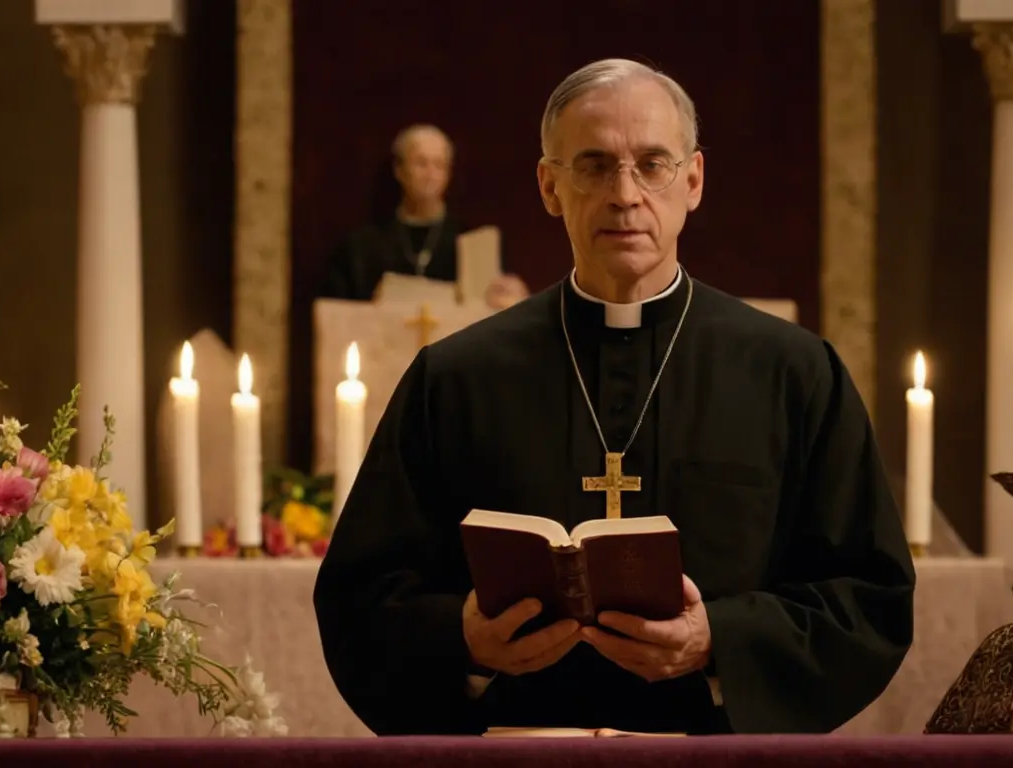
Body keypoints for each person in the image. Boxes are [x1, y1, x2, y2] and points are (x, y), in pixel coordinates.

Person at [313, 59, 915, 736]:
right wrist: (462, 639)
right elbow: (358, 598)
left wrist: (719, 639)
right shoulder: (455, 379)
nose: (625, 193)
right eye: (594, 166)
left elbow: (870, 599)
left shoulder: (794, 373)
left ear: (693, 181)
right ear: (549, 186)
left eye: (652, 164)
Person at [317, 123, 529, 309]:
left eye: (439, 165)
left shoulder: (470, 243)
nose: (430, 174)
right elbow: (339, 313)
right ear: (399, 170)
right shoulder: (362, 247)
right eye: (421, 163)